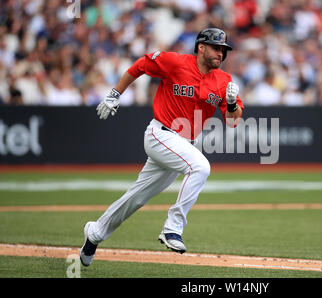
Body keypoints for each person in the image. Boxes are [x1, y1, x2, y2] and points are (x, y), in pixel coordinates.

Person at [80, 28, 244, 266]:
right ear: (201, 47)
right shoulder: (175, 62)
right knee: (201, 166)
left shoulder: (224, 81)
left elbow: (233, 121)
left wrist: (230, 104)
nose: (221, 53)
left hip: (182, 144)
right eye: (216, 48)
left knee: (135, 198)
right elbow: (141, 66)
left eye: (223, 50)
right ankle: (173, 227)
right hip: (160, 134)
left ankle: (95, 233)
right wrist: (115, 93)